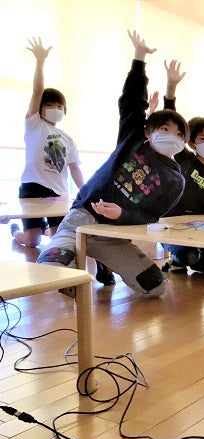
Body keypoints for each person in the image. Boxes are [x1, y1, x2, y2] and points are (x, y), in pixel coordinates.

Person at [36, 30, 188, 298]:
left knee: (156, 286)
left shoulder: (175, 180)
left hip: (112, 236)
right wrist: (139, 59)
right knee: (52, 266)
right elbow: (132, 102)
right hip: (82, 219)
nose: (171, 137)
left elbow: (150, 217)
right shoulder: (132, 140)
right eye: (164, 129)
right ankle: (75, 267)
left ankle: (102, 261)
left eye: (179, 134)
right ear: (149, 132)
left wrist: (122, 215)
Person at [10, 37, 85, 248]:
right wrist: (40, 62)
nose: (56, 109)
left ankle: (41, 228)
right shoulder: (34, 124)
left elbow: (75, 168)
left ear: (65, 110)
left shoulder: (68, 139)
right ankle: (17, 232)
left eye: (60, 106)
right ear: (41, 109)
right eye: (50, 105)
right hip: (32, 188)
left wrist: (86, 189)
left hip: (58, 193)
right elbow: (36, 91)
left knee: (58, 238)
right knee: (32, 242)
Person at [160, 60, 204, 276]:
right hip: (174, 226)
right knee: (190, 256)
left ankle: (188, 261)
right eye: (202, 138)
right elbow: (170, 122)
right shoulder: (186, 159)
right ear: (191, 143)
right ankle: (176, 260)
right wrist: (171, 88)